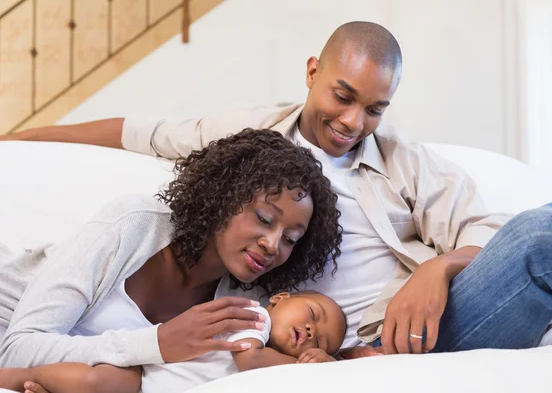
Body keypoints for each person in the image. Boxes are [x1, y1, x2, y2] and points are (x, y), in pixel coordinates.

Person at [2, 21, 552, 358]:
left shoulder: (405, 161)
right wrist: (14, 139)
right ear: (313, 72)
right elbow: (136, 132)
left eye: (374, 109)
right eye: (343, 96)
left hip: (436, 315)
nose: (352, 122)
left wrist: (433, 273)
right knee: (543, 236)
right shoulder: (243, 141)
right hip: (365, 343)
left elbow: (488, 236)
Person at [0, 129, 342, 389]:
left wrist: (342, 355)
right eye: (265, 219)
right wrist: (158, 343)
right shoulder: (134, 225)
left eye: (290, 239)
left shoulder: (245, 306)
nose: (272, 244)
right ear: (225, 198)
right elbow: (16, 348)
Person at [0, 291, 347, 393]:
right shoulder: (252, 316)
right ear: (280, 297)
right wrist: (313, 366)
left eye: (323, 340)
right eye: (313, 314)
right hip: (139, 372)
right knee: (97, 381)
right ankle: (14, 378)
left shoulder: (276, 367)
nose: (313, 331)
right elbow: (248, 360)